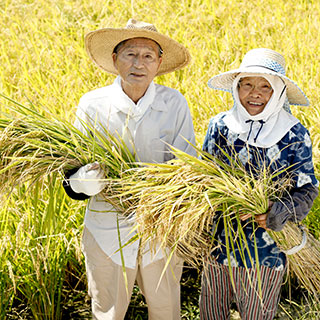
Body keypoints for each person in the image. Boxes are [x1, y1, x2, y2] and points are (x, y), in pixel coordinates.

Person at [63, 19, 196, 320]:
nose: (139, 63)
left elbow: (187, 169)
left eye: (148, 55)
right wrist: (86, 181)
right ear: (114, 59)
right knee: (108, 312)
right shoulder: (92, 105)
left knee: (166, 312)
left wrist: (159, 188)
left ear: (159, 62)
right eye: (130, 54)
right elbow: (69, 178)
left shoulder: (174, 104)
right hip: (106, 228)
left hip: (160, 230)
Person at [199, 48, 319, 320]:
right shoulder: (220, 126)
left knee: (257, 314)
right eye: (247, 84)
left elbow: (307, 187)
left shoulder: (293, 133)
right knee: (210, 312)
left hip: (265, 249)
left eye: (266, 86)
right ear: (236, 88)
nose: (255, 93)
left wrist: (280, 212)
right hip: (220, 243)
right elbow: (203, 174)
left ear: (278, 92)